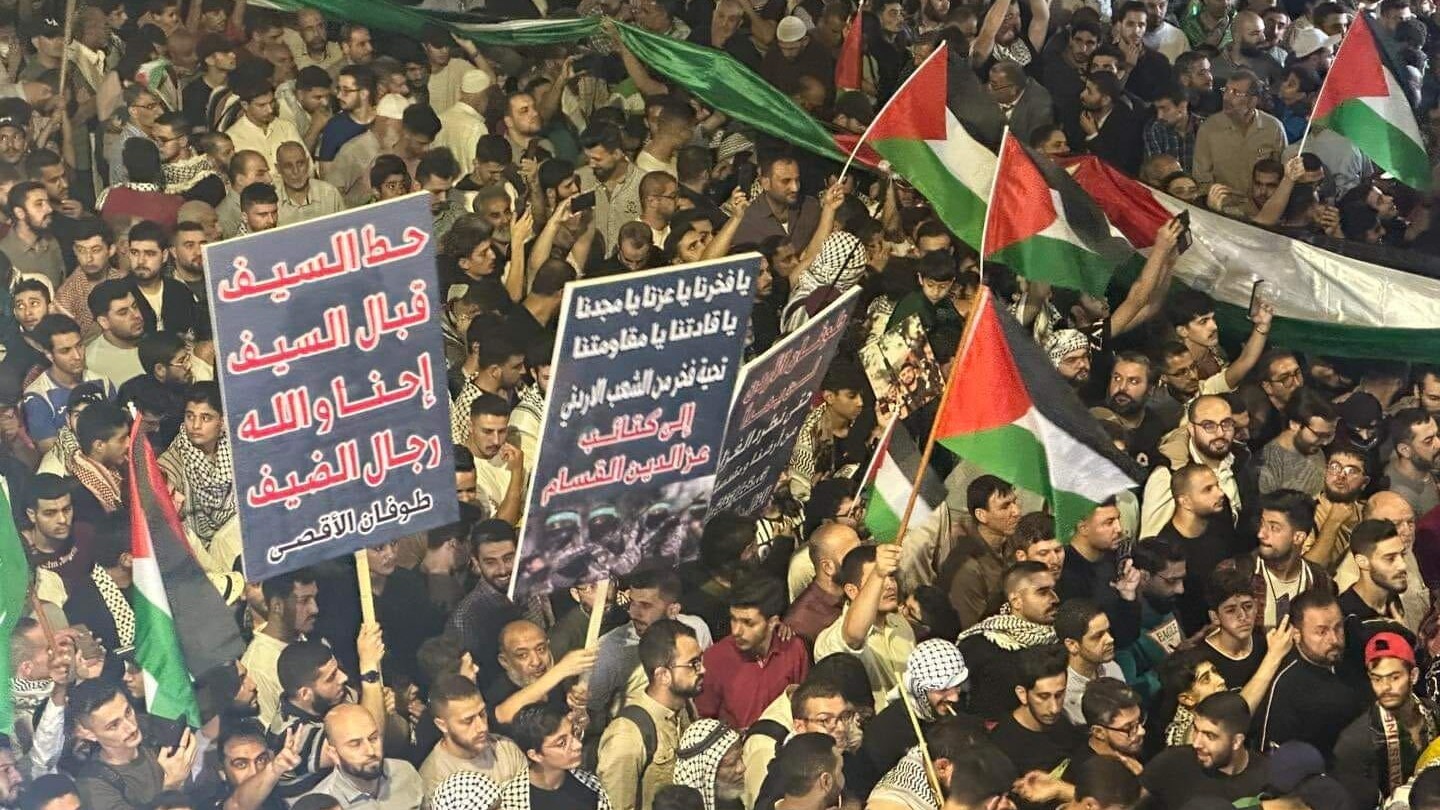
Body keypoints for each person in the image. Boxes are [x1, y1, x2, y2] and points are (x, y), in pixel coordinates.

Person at [598, 619, 702, 810]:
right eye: (693, 664)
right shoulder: (627, 736)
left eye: (700, 661)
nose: (703, 670)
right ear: (663, 675)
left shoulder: (686, 708)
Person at [1253, 588, 1366, 760]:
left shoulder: (1355, 656)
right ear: (1296, 634)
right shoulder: (1286, 685)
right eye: (1321, 632)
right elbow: (1274, 759)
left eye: (1338, 627)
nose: (1334, 639)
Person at [1333, 632, 1439, 808]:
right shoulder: (1355, 742)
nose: (1385, 687)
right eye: (1377, 679)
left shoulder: (1433, 713)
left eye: (1394, 677)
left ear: (1413, 676)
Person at [694, 576, 809, 730]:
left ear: (773, 622)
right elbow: (703, 722)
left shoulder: (794, 649)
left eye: (748, 623)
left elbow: (803, 704)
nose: (736, 631)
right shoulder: (714, 659)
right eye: (733, 619)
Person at [67, 679, 199, 809]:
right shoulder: (94, 787)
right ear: (90, 734)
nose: (131, 727)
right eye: (114, 725)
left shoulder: (152, 730)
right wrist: (171, 786)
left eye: (128, 712)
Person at [813, 544, 915, 708]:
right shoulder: (830, 639)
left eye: (891, 576)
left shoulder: (901, 624)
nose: (890, 585)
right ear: (852, 591)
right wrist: (878, 573)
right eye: (877, 580)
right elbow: (853, 635)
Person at [958, 561, 1060, 720]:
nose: (1055, 599)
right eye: (1042, 592)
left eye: (1053, 590)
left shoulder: (1060, 639)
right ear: (1016, 601)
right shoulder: (979, 645)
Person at [1139, 692, 1270, 809]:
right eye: (1196, 730)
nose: (1196, 743)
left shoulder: (1266, 779)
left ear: (1236, 741)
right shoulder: (1171, 763)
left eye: (1210, 736)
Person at [421, 673, 528, 795]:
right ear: (442, 725)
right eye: (468, 721)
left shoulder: (507, 750)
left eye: (482, 714)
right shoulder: (436, 779)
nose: (482, 727)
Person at [988, 643, 1084, 776]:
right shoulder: (1002, 748)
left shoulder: (1063, 723)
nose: (1054, 708)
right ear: (1022, 694)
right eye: (1043, 697)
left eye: (1059, 695)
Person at [303, 703, 423, 808]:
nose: (370, 751)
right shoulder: (324, 804)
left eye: (373, 738)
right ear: (333, 754)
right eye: (355, 744)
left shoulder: (405, 772)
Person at [502, 704, 611, 810]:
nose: (578, 745)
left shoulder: (590, 785)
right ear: (535, 755)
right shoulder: (513, 802)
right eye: (562, 743)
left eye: (573, 732)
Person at [1058, 599, 1123, 725]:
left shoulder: (1112, 668)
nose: (1110, 639)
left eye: (1108, 631)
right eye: (1098, 636)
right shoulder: (1061, 692)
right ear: (1072, 645)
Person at [672, 719, 745, 810]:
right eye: (731, 764)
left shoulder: (732, 803)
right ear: (704, 770)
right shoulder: (674, 806)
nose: (742, 768)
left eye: (741, 757)